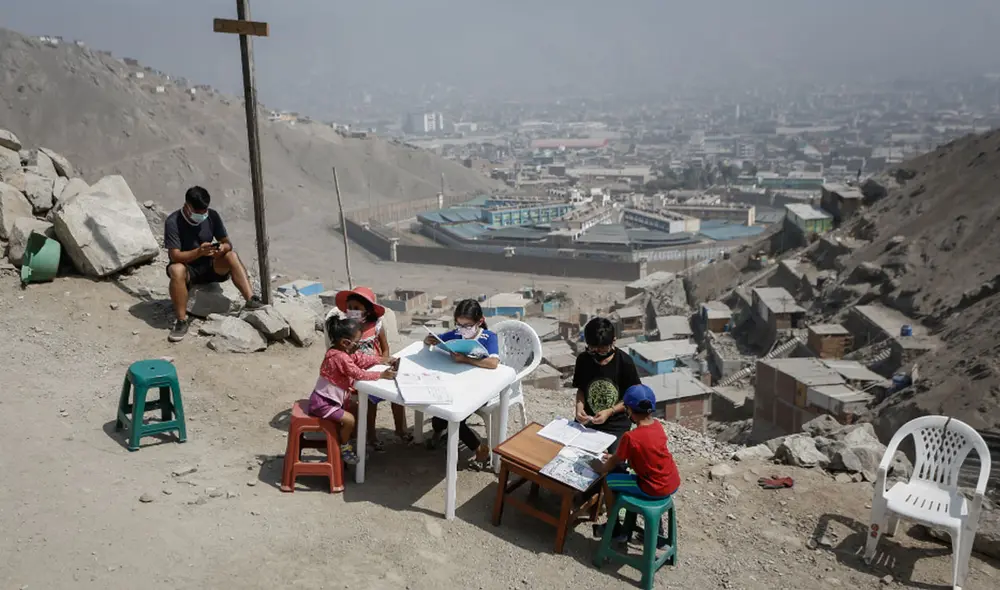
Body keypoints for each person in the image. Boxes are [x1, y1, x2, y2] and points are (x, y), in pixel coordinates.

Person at [164, 186, 263, 342]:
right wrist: (198, 252)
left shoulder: (212, 216)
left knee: (231, 255)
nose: (203, 215)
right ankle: (182, 321)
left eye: (205, 211)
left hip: (210, 265)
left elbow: (227, 243)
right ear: (187, 207)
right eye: (199, 212)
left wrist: (222, 248)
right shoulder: (173, 222)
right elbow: (174, 255)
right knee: (176, 270)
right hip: (188, 270)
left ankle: (251, 299)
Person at [592, 384, 681, 543]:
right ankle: (657, 532)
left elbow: (611, 464)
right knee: (630, 475)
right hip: (671, 482)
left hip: (652, 487)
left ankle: (615, 528)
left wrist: (598, 466)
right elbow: (640, 453)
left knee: (609, 480)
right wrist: (614, 456)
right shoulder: (658, 427)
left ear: (629, 411)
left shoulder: (631, 437)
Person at [421, 299, 499, 470]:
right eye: (459, 325)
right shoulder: (457, 334)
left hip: (480, 389)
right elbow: (437, 340)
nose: (463, 330)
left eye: (468, 326)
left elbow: (493, 363)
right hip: (456, 384)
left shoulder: (488, 337)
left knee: (454, 415)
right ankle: (438, 431)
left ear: (480, 322)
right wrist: (431, 340)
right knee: (439, 406)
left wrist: (466, 359)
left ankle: (478, 448)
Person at [310, 315, 398, 465]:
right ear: (345, 342)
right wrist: (381, 375)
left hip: (331, 399)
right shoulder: (340, 358)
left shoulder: (342, 352)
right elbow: (358, 373)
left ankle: (345, 439)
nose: (359, 345)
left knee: (354, 411)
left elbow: (361, 359)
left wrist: (382, 360)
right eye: (357, 342)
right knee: (350, 420)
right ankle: (344, 447)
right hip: (323, 403)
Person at [335, 287, 412, 449]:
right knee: (370, 400)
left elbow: (385, 347)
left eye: (357, 308)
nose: (352, 311)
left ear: (367, 310)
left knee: (396, 395)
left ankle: (400, 429)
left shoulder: (376, 326)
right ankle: (371, 436)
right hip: (357, 373)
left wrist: (384, 360)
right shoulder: (345, 329)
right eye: (350, 308)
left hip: (377, 367)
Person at [572, 317, 641, 453]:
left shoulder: (624, 363)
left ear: (613, 341)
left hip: (616, 425)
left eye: (602, 350)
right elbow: (581, 388)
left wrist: (610, 411)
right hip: (588, 421)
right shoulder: (583, 359)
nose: (597, 354)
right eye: (593, 349)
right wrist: (579, 406)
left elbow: (632, 397)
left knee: (615, 463)